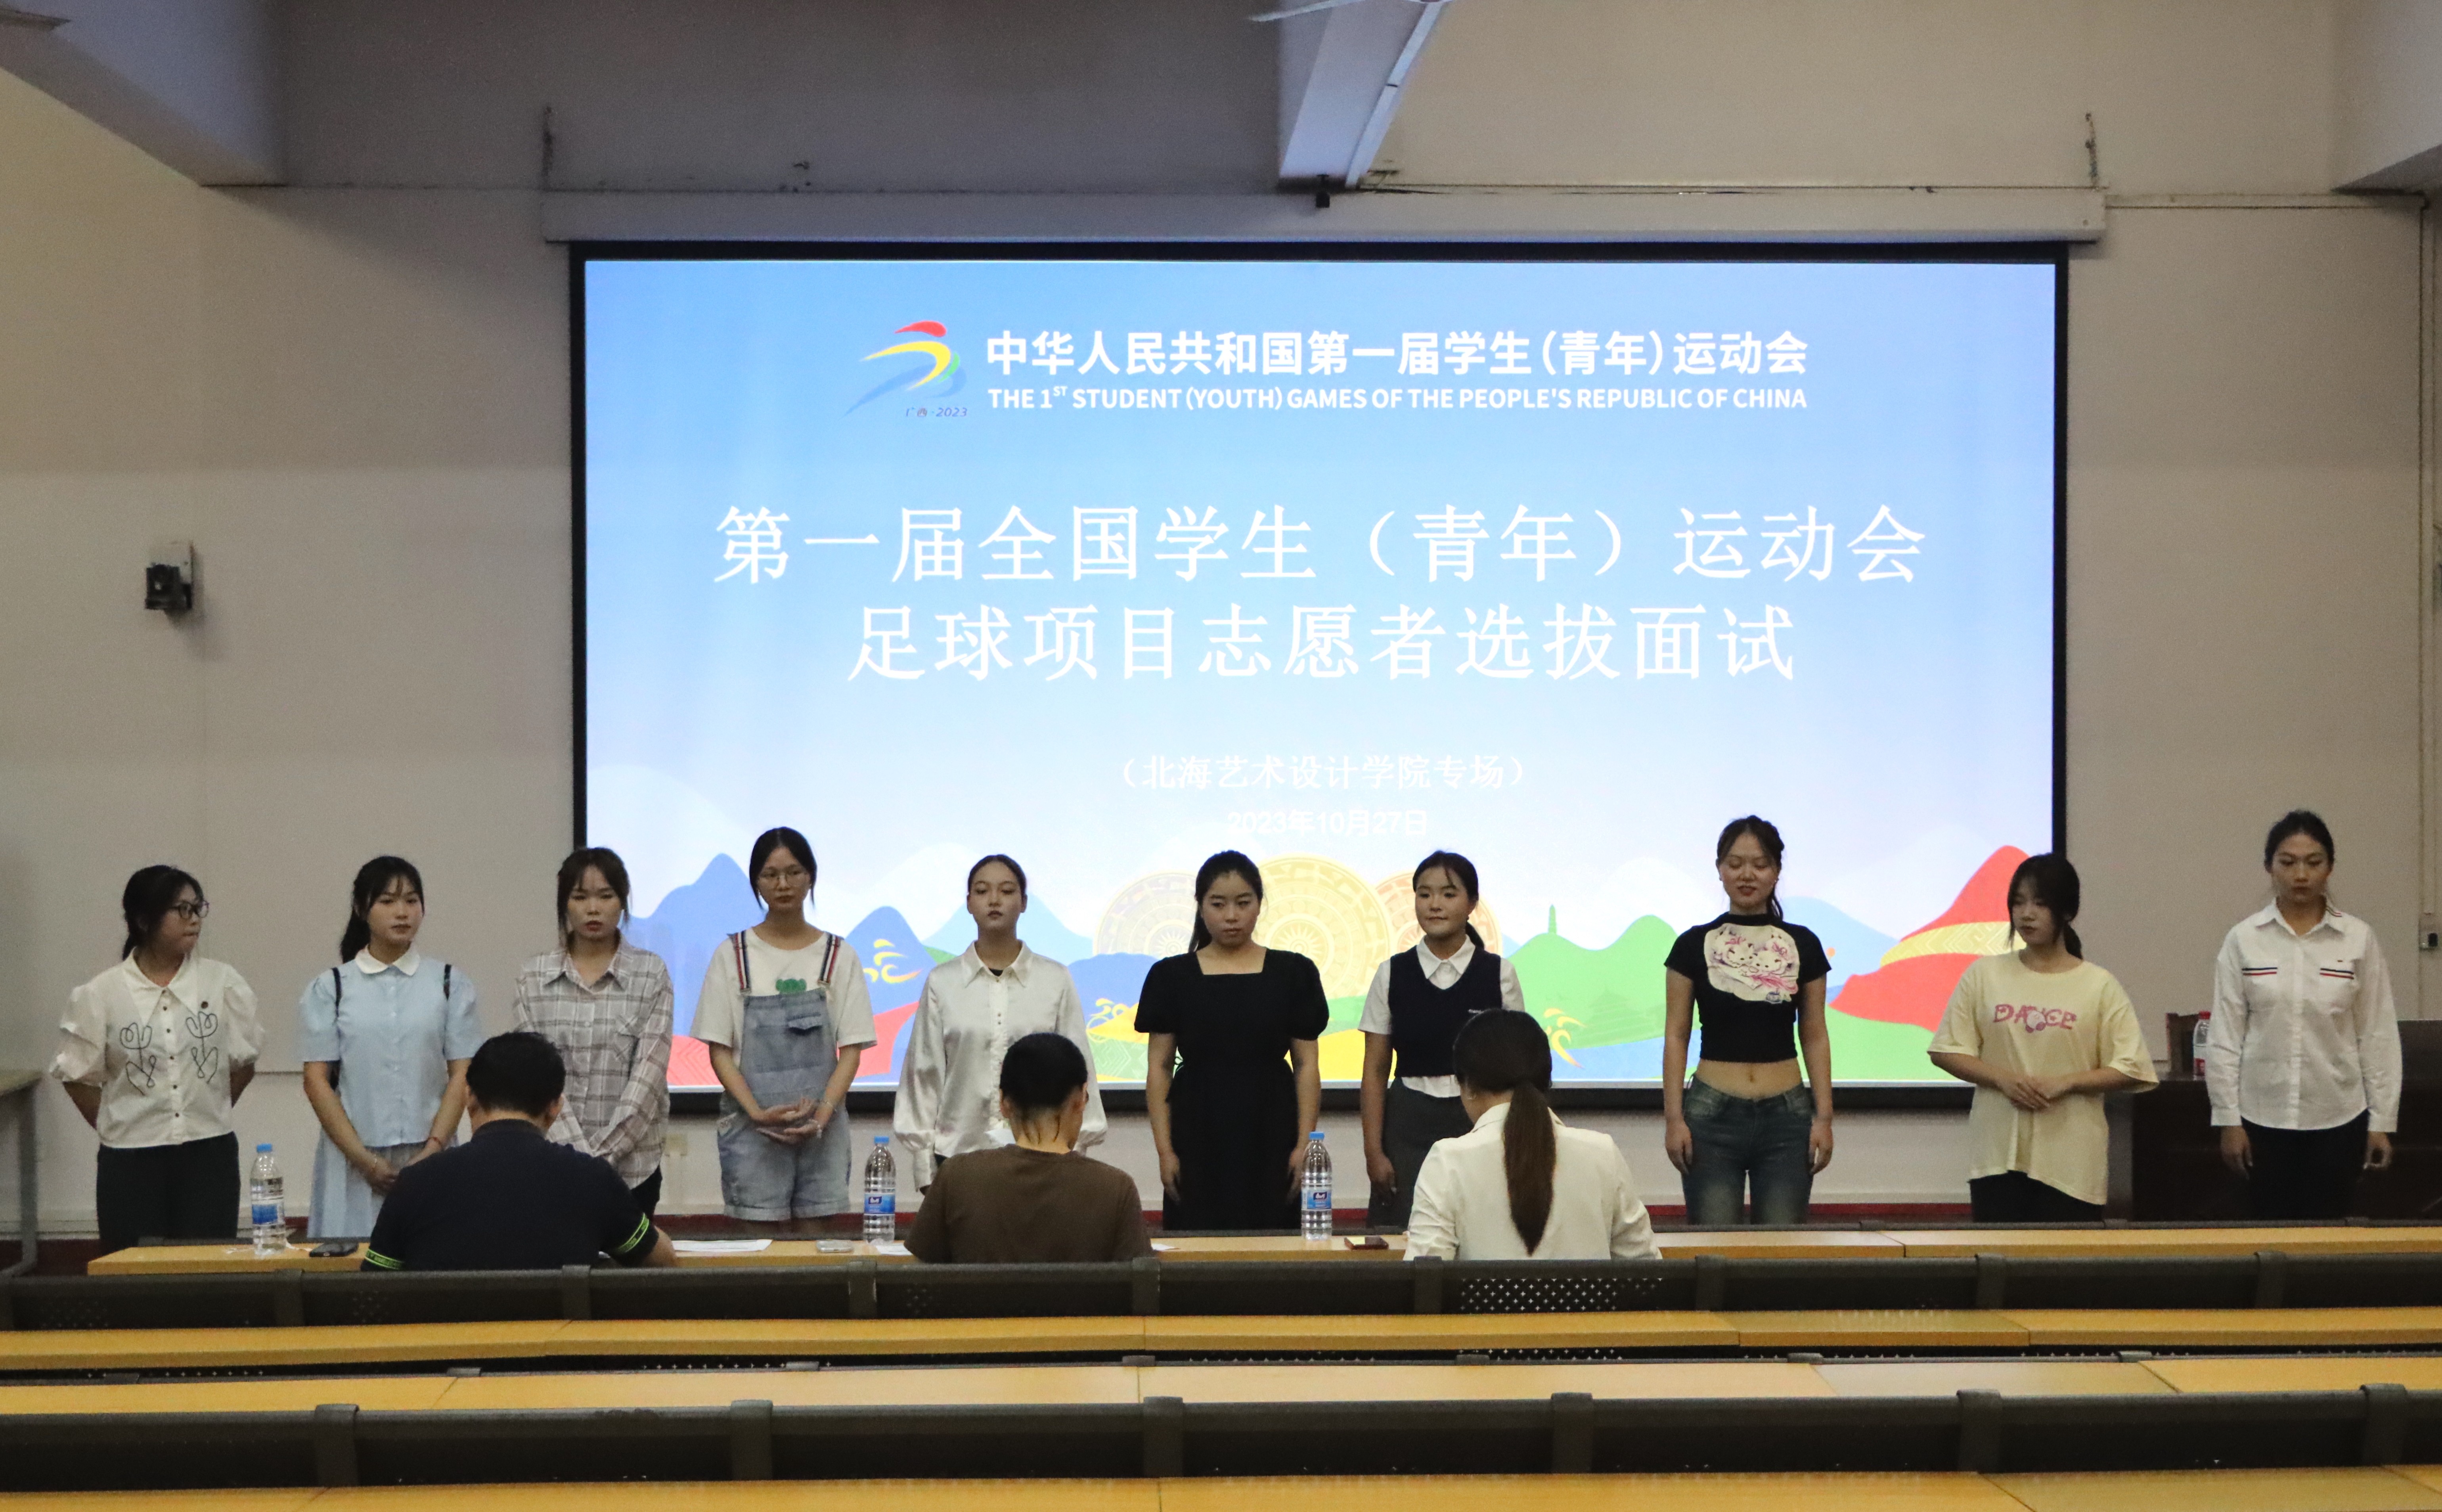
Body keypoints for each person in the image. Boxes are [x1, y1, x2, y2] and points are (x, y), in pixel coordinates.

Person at [1929, 852, 2157, 1221]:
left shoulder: (2098, 985)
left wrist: (2065, 1083)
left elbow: (2132, 1068)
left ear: (2067, 911)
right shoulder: (1984, 975)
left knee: (2064, 1258)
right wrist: (2004, 1080)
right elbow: (1946, 1050)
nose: (2026, 915)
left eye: (2040, 903)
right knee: (1998, 1255)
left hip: (2072, 1164)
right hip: (1997, 1157)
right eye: (2018, 903)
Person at [52, 866, 264, 1256]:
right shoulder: (103, 993)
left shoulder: (222, 982)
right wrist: (122, 1121)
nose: (194, 919)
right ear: (144, 920)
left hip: (208, 1155)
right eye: (182, 909)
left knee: (208, 1267)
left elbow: (244, 1064)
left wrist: (204, 1106)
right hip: (131, 1162)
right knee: (134, 1268)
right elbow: (76, 1075)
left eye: (198, 908)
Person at [2208, 810, 2401, 1219]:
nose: (2300, 875)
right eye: (2288, 862)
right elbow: (2225, 1037)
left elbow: (2377, 1034)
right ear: (2269, 867)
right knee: (2266, 1238)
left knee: (2329, 1239)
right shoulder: (2244, 940)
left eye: (2313, 863)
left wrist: (2382, 1121)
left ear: (2329, 868)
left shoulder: (2357, 939)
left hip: (2339, 1118)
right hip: (2260, 1119)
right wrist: (2228, 1120)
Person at [363, 1032, 677, 1271]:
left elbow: (376, 1283)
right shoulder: (592, 1178)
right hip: (558, 1340)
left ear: (469, 1097)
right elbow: (660, 1259)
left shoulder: (415, 1183)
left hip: (446, 1341)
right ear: (555, 1107)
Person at [695, 827, 877, 1230]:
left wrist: (822, 1115)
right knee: (760, 1249)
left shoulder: (839, 956)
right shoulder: (733, 955)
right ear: (756, 882)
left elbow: (851, 1050)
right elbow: (719, 1051)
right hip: (752, 1132)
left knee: (817, 1248)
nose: (783, 884)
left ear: (811, 877)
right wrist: (757, 1113)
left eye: (794, 872)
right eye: (770, 874)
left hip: (822, 1132)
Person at [1136, 851, 1329, 1231]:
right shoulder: (1171, 977)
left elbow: (1307, 1066)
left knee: (1275, 1241)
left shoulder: (1294, 972)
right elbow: (1159, 1068)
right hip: (1198, 1128)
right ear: (1200, 906)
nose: (1231, 916)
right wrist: (1165, 1151)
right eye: (1218, 904)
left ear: (1259, 904)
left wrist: (1304, 1144)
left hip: (1272, 1127)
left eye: (1243, 903)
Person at [894, 854, 1106, 1193]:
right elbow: (924, 1076)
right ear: (968, 903)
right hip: (960, 1158)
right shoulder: (942, 983)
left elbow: (1080, 1072)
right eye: (982, 891)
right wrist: (924, 1169)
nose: (994, 900)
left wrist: (1075, 1153)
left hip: (1043, 1158)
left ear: (1024, 903)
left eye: (1007, 891)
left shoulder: (1055, 980)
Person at [1660, 817, 1835, 1225]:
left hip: (1787, 1115)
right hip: (1710, 1114)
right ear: (1719, 869)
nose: (1746, 875)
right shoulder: (1691, 945)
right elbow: (1676, 1035)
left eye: (1759, 864)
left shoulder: (1803, 943)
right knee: (1715, 1248)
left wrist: (1824, 1117)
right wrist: (1673, 1119)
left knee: (1781, 1251)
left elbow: (1814, 1035)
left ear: (1777, 871)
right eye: (1735, 863)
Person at [299, 857, 484, 1238]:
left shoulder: (449, 983)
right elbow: (316, 1081)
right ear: (360, 908)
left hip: (431, 1156)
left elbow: (462, 1073)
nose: (402, 913)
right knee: (351, 1263)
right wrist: (364, 1160)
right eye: (387, 901)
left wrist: (432, 1152)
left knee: (432, 1256)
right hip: (353, 1159)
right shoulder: (332, 987)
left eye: (412, 901)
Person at [1405, 1010, 1658, 1261]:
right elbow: (1647, 1269)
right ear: (1547, 1081)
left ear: (1468, 1086)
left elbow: (1425, 1275)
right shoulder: (1602, 1153)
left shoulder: (1448, 1161)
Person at [1359, 851, 1524, 1228]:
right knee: (1405, 1234)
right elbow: (1375, 1070)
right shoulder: (1392, 973)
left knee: (1482, 1230)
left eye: (1449, 895)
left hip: (1481, 1124)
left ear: (1472, 903)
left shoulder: (1499, 974)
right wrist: (1373, 1152)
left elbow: (1518, 1070)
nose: (1434, 905)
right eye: (1424, 894)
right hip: (1408, 1123)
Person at [511, 847, 675, 1217]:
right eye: (580, 897)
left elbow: (648, 1079)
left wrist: (599, 1160)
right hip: (551, 1167)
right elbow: (535, 1080)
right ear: (564, 903)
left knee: (630, 1258)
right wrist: (576, 1159)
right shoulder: (533, 977)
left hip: (632, 1171)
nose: (593, 909)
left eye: (606, 896)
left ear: (623, 901)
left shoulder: (651, 974)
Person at [907, 1032, 1150, 1263]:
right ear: (1081, 1098)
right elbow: (1140, 1282)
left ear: (1004, 1103)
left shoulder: (957, 1177)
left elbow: (919, 1276)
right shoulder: (1116, 1190)